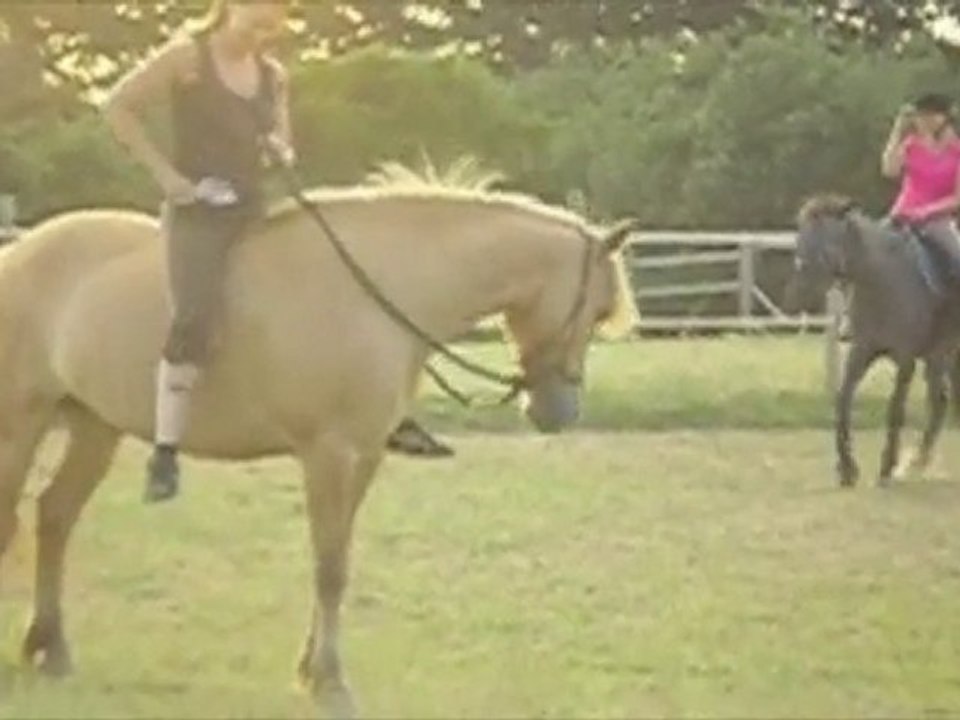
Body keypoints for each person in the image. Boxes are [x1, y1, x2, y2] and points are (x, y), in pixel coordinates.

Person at [103, 0, 452, 505]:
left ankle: (384, 416)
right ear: (228, 8)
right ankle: (165, 450)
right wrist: (170, 180)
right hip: (200, 214)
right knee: (195, 317)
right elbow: (118, 107)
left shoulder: (273, 76)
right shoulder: (186, 59)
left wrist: (279, 152)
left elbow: (283, 141)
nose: (263, 33)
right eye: (256, 21)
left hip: (256, 208)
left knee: (336, 289)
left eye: (273, 25)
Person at [883, 92, 960, 282]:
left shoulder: (956, 152)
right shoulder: (911, 145)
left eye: (929, 116)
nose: (922, 121)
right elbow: (890, 170)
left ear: (944, 119)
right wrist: (897, 131)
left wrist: (925, 212)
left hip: (937, 219)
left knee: (956, 255)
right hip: (902, 214)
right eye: (920, 116)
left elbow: (957, 198)